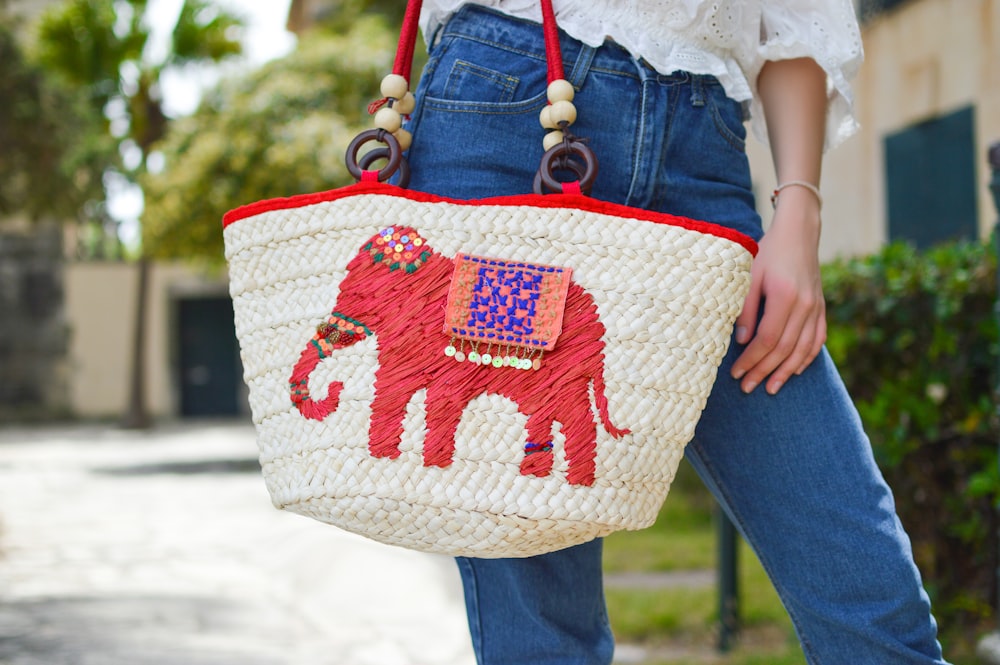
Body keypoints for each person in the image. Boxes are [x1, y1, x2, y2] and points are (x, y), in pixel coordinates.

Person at [398, 1, 951, 663]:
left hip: (702, 149)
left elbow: (797, 19)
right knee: (542, 622)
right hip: (507, 122)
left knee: (870, 595)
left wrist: (799, 208)